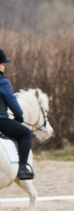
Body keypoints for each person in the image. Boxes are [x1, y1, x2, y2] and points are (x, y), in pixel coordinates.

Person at [0, 49, 35, 180]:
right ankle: (22, 168)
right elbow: (12, 101)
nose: (4, 66)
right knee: (26, 133)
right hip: (1, 122)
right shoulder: (2, 82)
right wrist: (19, 116)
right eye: (3, 63)